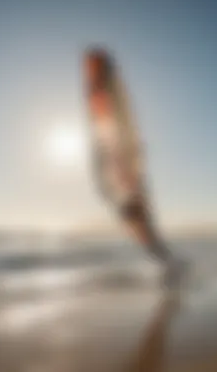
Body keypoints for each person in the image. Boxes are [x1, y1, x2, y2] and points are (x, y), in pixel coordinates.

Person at [84, 47, 185, 288]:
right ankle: (169, 263)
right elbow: (106, 129)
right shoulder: (97, 92)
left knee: (136, 215)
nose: (88, 71)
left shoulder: (110, 89)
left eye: (93, 66)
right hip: (117, 163)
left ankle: (170, 264)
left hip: (124, 163)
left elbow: (124, 126)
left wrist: (131, 169)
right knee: (130, 214)